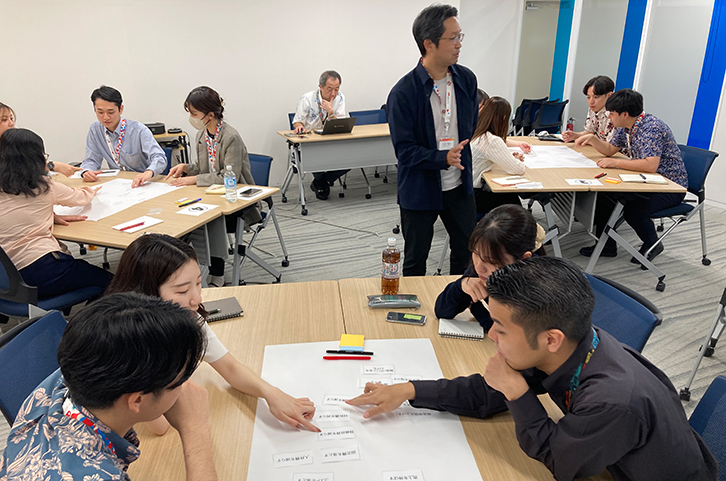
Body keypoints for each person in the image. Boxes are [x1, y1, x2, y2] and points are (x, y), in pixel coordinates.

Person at [348, 257, 718, 481]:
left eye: (501, 328)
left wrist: (517, 392)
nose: (491, 334)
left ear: (551, 339)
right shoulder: (571, 346)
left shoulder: (612, 400)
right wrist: (409, 390)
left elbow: (560, 461)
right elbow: (485, 394)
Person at [105, 234, 319, 433]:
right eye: (182, 290)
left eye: (199, 283)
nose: (197, 299)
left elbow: (230, 367)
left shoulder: (187, 318)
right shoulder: (127, 340)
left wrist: (271, 393)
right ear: (145, 294)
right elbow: (160, 426)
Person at [0, 293, 217, 481]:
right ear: (137, 400)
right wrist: (195, 429)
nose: (187, 388)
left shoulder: (68, 376)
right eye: (180, 381)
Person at [388, 4, 478, 276]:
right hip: (419, 189)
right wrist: (442, 158)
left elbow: (470, 126)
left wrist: (453, 157)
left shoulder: (466, 80)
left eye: (460, 36)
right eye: (452, 38)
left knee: (466, 254)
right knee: (416, 260)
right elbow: (404, 152)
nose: (459, 44)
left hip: (459, 185)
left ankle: (456, 299)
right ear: (429, 44)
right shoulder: (403, 93)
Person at [575, 89, 687, 261]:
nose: (609, 117)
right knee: (603, 197)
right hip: (645, 180)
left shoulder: (651, 128)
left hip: (669, 186)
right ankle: (606, 245)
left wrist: (616, 163)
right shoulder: (628, 125)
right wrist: (592, 139)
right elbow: (610, 149)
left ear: (625, 114)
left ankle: (652, 244)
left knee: (634, 210)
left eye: (612, 114)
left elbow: (650, 165)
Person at [166, 86, 262, 287]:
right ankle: (181, 269)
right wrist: (186, 168)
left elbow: (229, 177)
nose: (192, 118)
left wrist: (194, 179)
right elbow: (203, 168)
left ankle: (216, 272)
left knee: (209, 220)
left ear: (210, 114)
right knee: (184, 217)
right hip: (211, 195)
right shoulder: (202, 135)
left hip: (238, 201)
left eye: (194, 113)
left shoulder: (231, 137)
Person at [0, 128, 112, 298]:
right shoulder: (44, 187)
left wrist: (49, 216)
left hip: (7, 278)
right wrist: (93, 189)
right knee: (115, 282)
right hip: (41, 270)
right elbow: (81, 198)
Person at [435, 204, 545, 330]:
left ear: (523, 259)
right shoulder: (484, 262)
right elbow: (442, 312)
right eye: (475, 253)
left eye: (491, 261)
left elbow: (506, 332)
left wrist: (475, 307)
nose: (479, 267)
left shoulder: (536, 288)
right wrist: (461, 286)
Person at [80, 85, 168, 188]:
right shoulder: (95, 129)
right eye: (100, 112)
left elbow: (159, 157)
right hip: (117, 184)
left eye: (111, 112)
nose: (105, 117)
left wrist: (149, 172)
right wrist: (87, 171)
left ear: (121, 109)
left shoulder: (138, 130)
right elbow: (92, 159)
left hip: (142, 183)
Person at [292, 70, 349, 200]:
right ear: (320, 87)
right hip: (311, 143)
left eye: (336, 89)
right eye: (330, 89)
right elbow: (297, 121)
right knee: (315, 160)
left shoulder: (340, 97)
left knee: (353, 157)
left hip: (332, 140)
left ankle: (321, 181)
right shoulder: (307, 98)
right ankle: (322, 183)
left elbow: (341, 124)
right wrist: (299, 126)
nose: (333, 93)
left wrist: (331, 113)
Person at [471, 97, 528, 215]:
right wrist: (515, 160)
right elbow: (518, 169)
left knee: (510, 197)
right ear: (504, 118)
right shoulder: (491, 140)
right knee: (512, 200)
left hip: (466, 191)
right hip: (476, 195)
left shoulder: (477, 130)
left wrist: (509, 158)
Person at [0, 102, 79, 177]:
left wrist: (50, 165)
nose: (11, 123)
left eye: (11, 118)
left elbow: (26, 164)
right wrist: (51, 165)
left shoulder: (15, 142)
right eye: (4, 120)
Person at [562, 75, 616, 143]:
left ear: (609, 95)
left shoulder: (615, 113)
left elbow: (611, 145)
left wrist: (591, 141)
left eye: (596, 97)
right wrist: (575, 135)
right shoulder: (593, 108)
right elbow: (589, 132)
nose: (591, 102)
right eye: (588, 97)